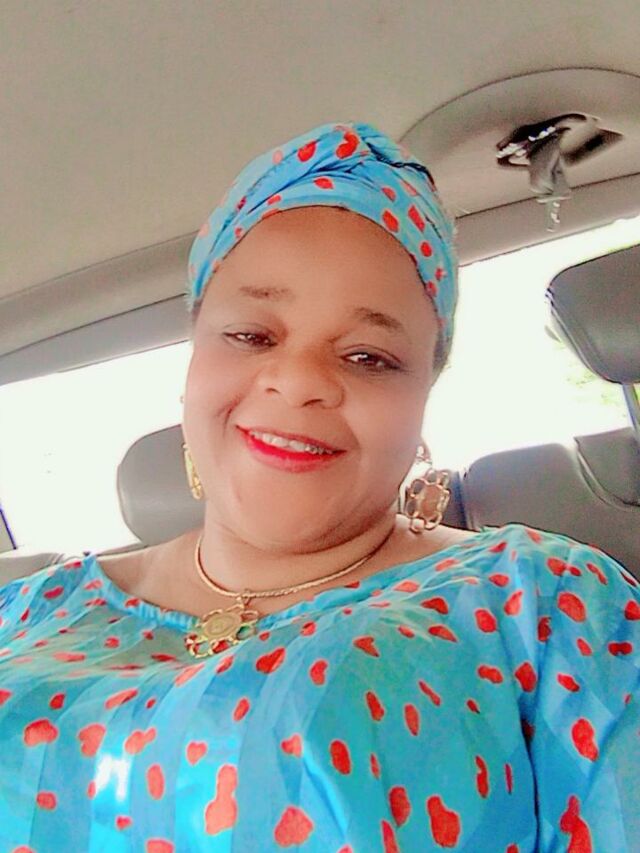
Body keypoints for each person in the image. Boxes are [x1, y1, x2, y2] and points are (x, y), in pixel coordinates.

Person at [0, 121, 638, 853]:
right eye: (252, 335)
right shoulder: (23, 609)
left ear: (423, 397)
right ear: (192, 359)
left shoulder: (546, 606)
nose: (299, 379)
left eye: (368, 356)